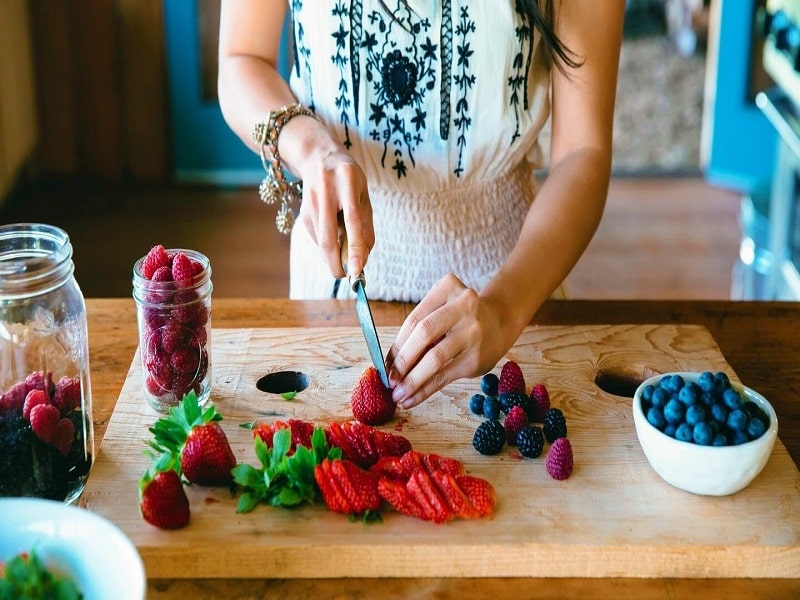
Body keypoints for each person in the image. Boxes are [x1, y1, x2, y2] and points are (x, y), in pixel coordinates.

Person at [218, 1, 625, 409]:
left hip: (518, 289)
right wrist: (310, 149)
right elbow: (242, 59)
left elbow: (582, 149)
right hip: (330, 287)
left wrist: (504, 309)